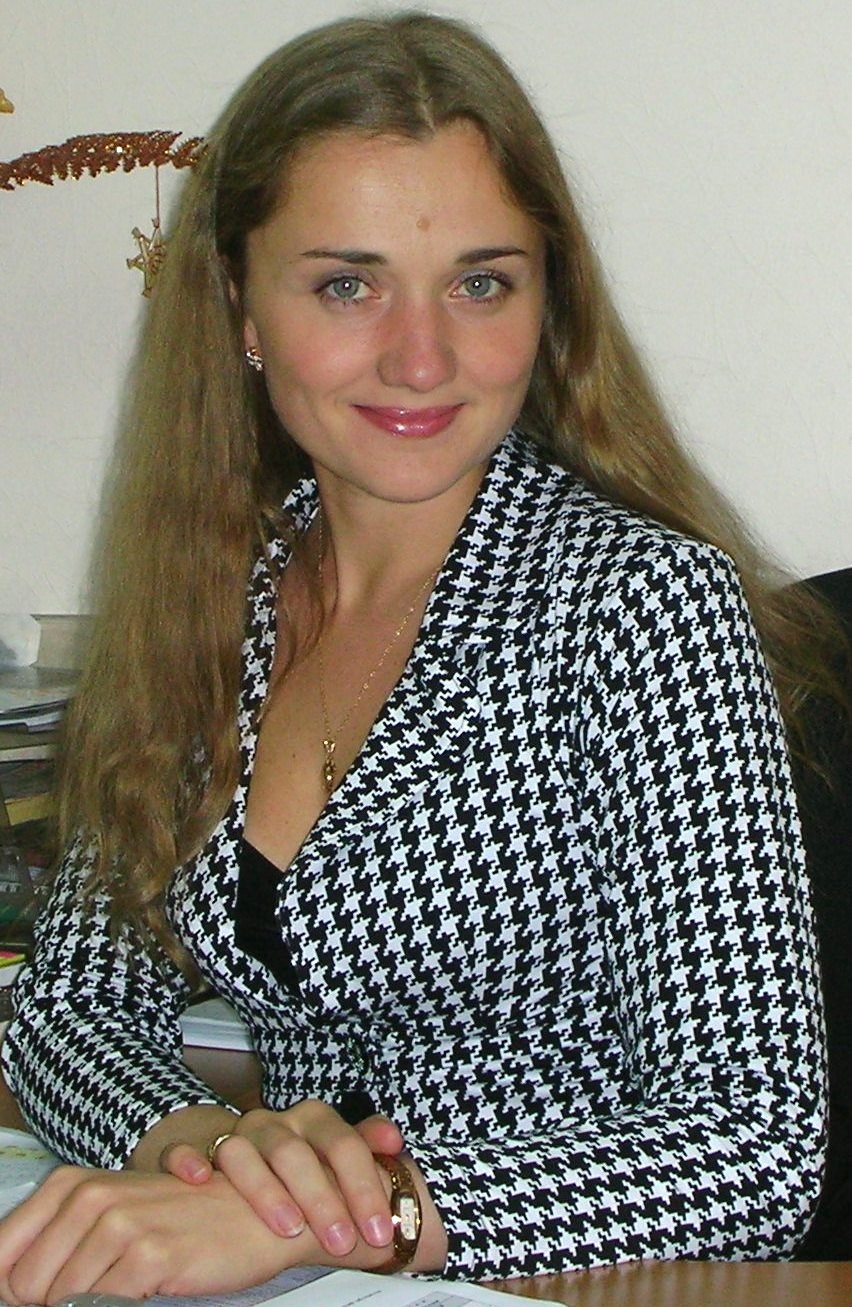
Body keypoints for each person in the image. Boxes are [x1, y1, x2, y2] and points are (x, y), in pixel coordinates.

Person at [0, 10, 844, 1302]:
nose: (421, 355)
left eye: (480, 282)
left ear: (548, 303)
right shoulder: (216, 596)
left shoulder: (637, 603)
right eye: (348, 284)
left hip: (560, 1280)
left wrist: (348, 1221)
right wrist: (205, 1154)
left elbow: (755, 1143)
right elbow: (73, 1004)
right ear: (239, 305)